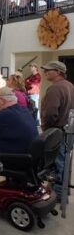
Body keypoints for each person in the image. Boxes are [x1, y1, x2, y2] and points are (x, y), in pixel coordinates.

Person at [40, 61, 74, 198]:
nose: (45, 72)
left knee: (57, 163)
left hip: (57, 131)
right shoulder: (70, 85)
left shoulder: (55, 88)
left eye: (49, 70)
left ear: (58, 72)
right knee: (65, 161)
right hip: (68, 130)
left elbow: (50, 113)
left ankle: (58, 194)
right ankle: (63, 190)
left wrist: (47, 128)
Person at [0, 87, 38, 154]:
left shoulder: (4, 114)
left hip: (12, 157)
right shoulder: (25, 110)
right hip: (28, 154)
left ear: (2, 101)